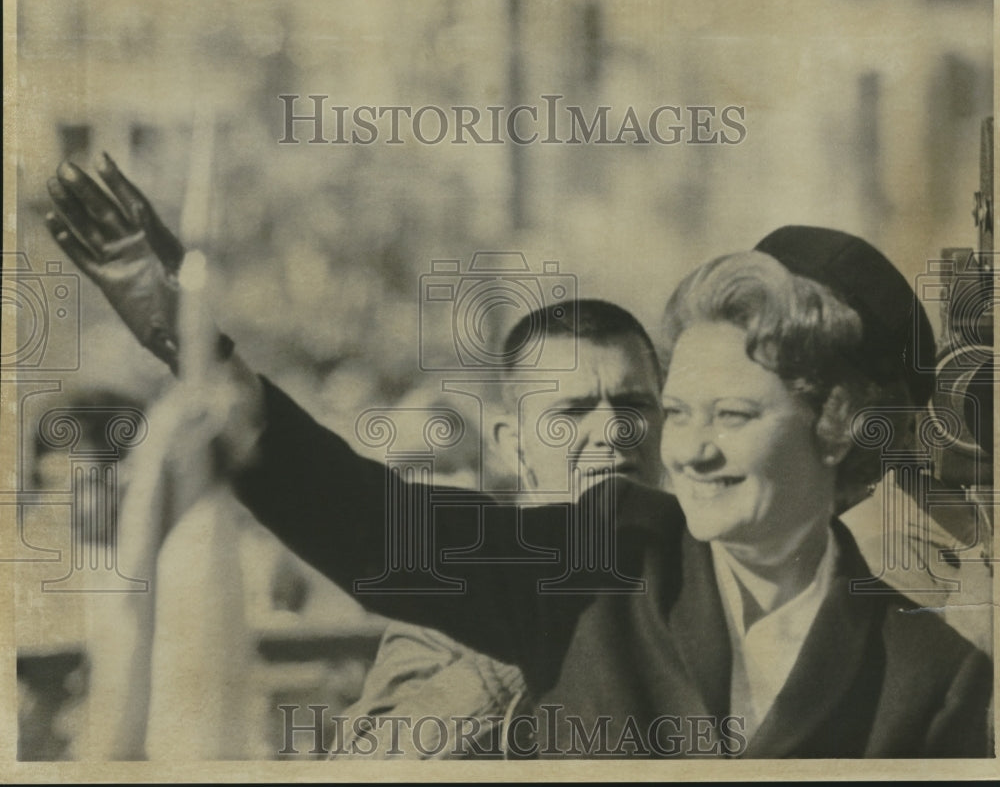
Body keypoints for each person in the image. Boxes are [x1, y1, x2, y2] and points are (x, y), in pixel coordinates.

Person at [44, 157, 993, 757]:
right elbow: (364, 519)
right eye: (683, 409)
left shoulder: (932, 674)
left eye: (738, 414)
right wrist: (188, 332)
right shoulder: (601, 560)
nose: (687, 450)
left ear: (843, 442)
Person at [337, 300, 664, 758]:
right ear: (515, 445)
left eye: (635, 404)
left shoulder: (721, 564)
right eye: (572, 412)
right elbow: (362, 762)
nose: (612, 430)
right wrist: (528, 636)